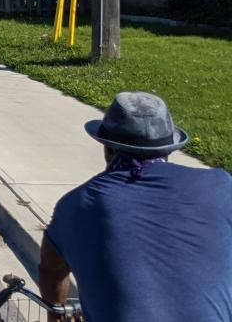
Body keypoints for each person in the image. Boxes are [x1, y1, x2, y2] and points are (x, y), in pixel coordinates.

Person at [40, 92, 232, 322]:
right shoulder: (220, 186)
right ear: (169, 148)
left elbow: (52, 272)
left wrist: (56, 315)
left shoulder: (77, 205)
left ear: (107, 149)